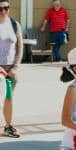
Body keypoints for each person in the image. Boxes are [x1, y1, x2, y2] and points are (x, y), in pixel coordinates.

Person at [0, 0, 23, 138]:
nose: (3, 11)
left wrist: (16, 66)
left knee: (8, 97)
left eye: (6, 8)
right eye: (0, 9)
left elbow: (20, 46)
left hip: (11, 68)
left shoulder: (14, 24)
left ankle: (8, 127)